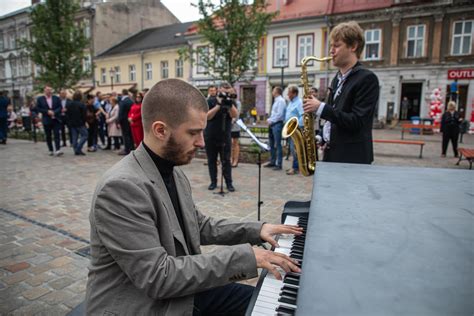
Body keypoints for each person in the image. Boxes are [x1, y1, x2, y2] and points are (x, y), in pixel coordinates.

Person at [85, 78, 302, 315]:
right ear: (160, 130)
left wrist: (257, 229)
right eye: (193, 133)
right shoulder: (120, 188)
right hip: (145, 304)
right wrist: (246, 257)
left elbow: (197, 225)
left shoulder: (172, 170)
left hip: (181, 288)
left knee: (263, 303)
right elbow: (159, 277)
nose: (201, 142)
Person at [303, 21, 379, 164]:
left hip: (352, 160)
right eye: (331, 46)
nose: (331, 51)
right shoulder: (336, 79)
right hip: (332, 155)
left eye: (337, 46)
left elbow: (357, 121)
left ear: (353, 46)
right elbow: (334, 118)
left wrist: (320, 108)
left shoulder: (367, 78)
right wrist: (322, 137)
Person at [204, 83, 238, 192]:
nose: (225, 93)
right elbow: (207, 116)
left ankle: (229, 183)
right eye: (224, 91)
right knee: (211, 160)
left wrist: (229, 104)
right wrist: (218, 105)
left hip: (225, 136)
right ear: (219, 90)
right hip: (211, 136)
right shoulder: (211, 101)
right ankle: (213, 182)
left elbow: (235, 115)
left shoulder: (231, 102)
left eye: (228, 91)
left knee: (226, 161)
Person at [36, 85, 63, 156]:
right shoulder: (40, 99)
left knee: (57, 134)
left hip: (55, 119)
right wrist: (47, 111)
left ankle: (58, 149)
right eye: (47, 90)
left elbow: (60, 107)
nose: (49, 91)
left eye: (50, 90)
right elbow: (38, 108)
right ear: (44, 90)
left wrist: (54, 112)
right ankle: (50, 149)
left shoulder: (56, 98)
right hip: (46, 119)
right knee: (48, 135)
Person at [265, 86, 286, 170]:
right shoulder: (276, 100)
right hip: (273, 124)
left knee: (277, 144)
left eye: (273, 90)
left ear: (277, 92)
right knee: (272, 144)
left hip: (277, 124)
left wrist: (271, 120)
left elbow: (280, 114)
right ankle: (273, 161)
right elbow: (275, 113)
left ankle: (279, 164)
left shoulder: (281, 101)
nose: (272, 92)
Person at [285, 85, 304, 175]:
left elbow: (303, 116)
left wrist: (296, 127)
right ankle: (296, 166)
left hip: (295, 129)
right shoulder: (291, 102)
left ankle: (295, 168)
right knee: (293, 149)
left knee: (294, 149)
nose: (288, 94)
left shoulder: (299, 102)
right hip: (289, 128)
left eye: (289, 92)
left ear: (294, 93)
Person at [66, 91, 88, 156]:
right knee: (85, 135)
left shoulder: (69, 104)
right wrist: (84, 122)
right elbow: (84, 115)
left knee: (74, 137)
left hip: (72, 123)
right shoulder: (82, 105)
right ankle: (78, 148)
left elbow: (67, 114)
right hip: (80, 123)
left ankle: (76, 150)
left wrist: (69, 122)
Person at [118, 89, 134, 155]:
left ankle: (126, 149)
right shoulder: (131, 100)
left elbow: (120, 112)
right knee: (130, 135)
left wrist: (118, 121)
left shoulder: (123, 101)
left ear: (122, 93)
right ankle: (131, 148)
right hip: (129, 120)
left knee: (125, 136)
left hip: (124, 121)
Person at [230, 88, 241, 168]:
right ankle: (230, 159)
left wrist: (232, 121)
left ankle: (235, 160)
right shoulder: (227, 101)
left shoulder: (237, 103)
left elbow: (237, 114)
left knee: (235, 143)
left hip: (235, 125)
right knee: (229, 143)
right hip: (228, 126)